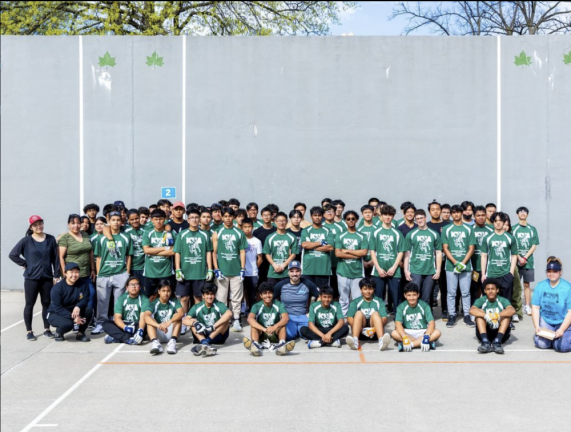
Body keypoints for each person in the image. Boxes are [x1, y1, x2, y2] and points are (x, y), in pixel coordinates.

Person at [10, 215, 61, 340]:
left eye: (40, 223)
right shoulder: (26, 241)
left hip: (47, 278)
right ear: (31, 227)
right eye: (35, 225)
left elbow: (55, 258)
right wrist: (26, 264)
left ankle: (47, 329)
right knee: (29, 304)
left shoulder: (50, 239)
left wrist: (57, 274)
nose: (39, 227)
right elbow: (13, 254)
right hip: (31, 279)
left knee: (46, 304)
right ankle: (29, 331)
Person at [91, 211, 133, 335]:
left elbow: (129, 256)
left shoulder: (126, 237)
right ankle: (100, 323)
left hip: (120, 273)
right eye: (113, 220)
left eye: (118, 220)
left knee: (119, 301)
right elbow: (98, 257)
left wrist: (127, 273)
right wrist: (99, 274)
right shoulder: (101, 238)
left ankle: (117, 322)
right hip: (104, 274)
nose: (116, 222)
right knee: (102, 301)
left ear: (121, 221)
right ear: (109, 221)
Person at [174, 208, 213, 321]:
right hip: (185, 272)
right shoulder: (182, 235)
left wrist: (210, 269)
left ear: (200, 219)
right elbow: (177, 252)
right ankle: (184, 321)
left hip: (199, 272)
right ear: (187, 219)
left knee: (198, 298)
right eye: (192, 218)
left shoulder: (204, 235)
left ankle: (197, 319)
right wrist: (177, 269)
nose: (194, 220)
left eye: (196, 217)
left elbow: (208, 252)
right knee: (184, 298)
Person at [441, 205, 476, 328]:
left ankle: (467, 315)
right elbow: (445, 248)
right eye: (453, 213)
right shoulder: (446, 229)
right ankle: (452, 315)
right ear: (451, 214)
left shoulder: (469, 228)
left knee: (466, 292)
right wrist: (456, 262)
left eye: (458, 212)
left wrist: (463, 263)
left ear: (461, 213)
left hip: (466, 266)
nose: (456, 215)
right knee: (451, 293)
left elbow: (472, 248)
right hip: (451, 266)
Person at [212, 207, 247, 332]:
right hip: (222, 270)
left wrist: (242, 269)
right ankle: (223, 318)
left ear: (234, 217)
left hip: (236, 270)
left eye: (230, 216)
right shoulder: (217, 232)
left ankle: (236, 319)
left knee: (237, 297)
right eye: (225, 216)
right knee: (221, 296)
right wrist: (216, 269)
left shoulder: (239, 232)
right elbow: (214, 253)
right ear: (222, 217)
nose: (228, 218)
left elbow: (242, 252)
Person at [58, 214, 96, 325]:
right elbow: (61, 256)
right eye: (73, 223)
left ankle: (87, 318)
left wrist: (93, 269)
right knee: (74, 298)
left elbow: (90, 252)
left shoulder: (85, 235)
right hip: (72, 275)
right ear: (68, 225)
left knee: (91, 294)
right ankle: (74, 320)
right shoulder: (65, 238)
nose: (76, 225)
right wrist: (64, 272)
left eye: (78, 223)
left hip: (85, 272)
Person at [369, 205, 405, 313]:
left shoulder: (397, 233)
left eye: (390, 215)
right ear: (381, 216)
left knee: (396, 296)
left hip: (394, 270)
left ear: (393, 216)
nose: (387, 217)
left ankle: (398, 318)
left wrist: (394, 267)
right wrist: (378, 268)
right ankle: (379, 317)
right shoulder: (375, 232)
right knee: (378, 295)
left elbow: (401, 252)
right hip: (378, 270)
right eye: (385, 214)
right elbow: (372, 251)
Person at [243, 282, 295, 356]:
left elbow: (286, 318)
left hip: (275, 333)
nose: (267, 295)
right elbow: (250, 319)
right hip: (262, 334)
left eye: (270, 293)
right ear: (261, 295)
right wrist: (264, 329)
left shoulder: (278, 304)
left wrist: (274, 327)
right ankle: (255, 345)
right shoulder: (256, 306)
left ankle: (282, 345)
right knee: (253, 326)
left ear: (273, 294)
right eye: (265, 293)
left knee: (282, 325)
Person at [403, 209, 442, 308]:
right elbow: (407, 253)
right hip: (415, 269)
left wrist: (438, 271)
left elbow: (438, 253)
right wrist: (406, 270)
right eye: (417, 219)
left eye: (421, 218)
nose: (420, 220)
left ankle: (426, 315)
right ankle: (414, 314)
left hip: (429, 270)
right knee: (414, 294)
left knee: (427, 296)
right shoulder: (411, 234)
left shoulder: (434, 234)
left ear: (425, 218)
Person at [532, 258, 571, 353]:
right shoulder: (540, 286)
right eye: (549, 271)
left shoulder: (568, 287)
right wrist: (536, 326)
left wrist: (561, 329)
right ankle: (550, 337)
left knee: (561, 347)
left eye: (555, 271)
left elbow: (570, 312)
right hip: (547, 320)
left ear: (560, 272)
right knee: (541, 344)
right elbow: (535, 308)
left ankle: (564, 335)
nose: (551, 274)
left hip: (562, 321)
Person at [273, 261, 320, 340]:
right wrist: (279, 313)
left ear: (300, 272)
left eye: (297, 271)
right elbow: (271, 299)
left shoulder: (307, 283)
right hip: (288, 317)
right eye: (292, 271)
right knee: (288, 336)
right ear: (288, 273)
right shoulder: (281, 285)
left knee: (309, 334)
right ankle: (295, 331)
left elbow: (320, 296)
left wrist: (312, 312)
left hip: (303, 316)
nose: (294, 274)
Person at [183, 284, 232, 357]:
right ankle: (204, 343)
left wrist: (213, 326)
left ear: (214, 295)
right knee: (191, 322)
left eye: (212, 294)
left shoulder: (218, 304)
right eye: (207, 294)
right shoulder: (197, 306)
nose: (210, 297)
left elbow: (229, 313)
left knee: (226, 320)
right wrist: (196, 323)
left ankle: (206, 343)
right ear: (203, 296)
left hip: (216, 335)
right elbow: (184, 320)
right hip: (202, 334)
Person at [480, 212, 517, 309]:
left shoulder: (510, 238)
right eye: (496, 221)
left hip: (505, 273)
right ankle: (490, 321)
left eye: (500, 221)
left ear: (504, 222)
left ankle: (507, 321)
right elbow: (484, 256)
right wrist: (483, 274)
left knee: (506, 299)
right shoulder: (487, 238)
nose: (498, 223)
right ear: (493, 222)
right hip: (491, 273)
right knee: (490, 299)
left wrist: (511, 273)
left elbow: (514, 256)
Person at [47, 262, 92, 342]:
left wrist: (78, 306)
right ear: (65, 273)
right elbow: (57, 308)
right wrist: (74, 318)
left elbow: (85, 299)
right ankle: (59, 332)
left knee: (88, 310)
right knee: (68, 324)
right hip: (56, 313)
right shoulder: (57, 288)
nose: (74, 275)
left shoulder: (83, 284)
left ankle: (80, 333)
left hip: (73, 310)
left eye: (76, 272)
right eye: (71, 272)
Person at [335, 211, 368, 317]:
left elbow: (363, 252)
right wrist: (356, 254)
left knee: (357, 298)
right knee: (343, 298)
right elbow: (338, 253)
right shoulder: (340, 235)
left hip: (357, 272)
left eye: (353, 218)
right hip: (342, 271)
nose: (351, 221)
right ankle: (344, 318)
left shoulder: (362, 236)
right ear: (345, 220)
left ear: (357, 220)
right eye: (348, 219)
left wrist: (347, 251)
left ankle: (356, 317)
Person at [469, 278, 515, 354]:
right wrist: (486, 315)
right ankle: (485, 342)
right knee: (479, 313)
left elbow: (512, 310)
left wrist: (497, 315)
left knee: (506, 314)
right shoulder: (481, 300)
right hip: (485, 332)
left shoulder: (502, 300)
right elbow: (471, 310)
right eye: (488, 289)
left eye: (493, 289)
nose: (490, 291)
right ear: (485, 291)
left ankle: (497, 342)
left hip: (500, 333)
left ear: (497, 290)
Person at [391, 282, 441, 352]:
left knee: (437, 332)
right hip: (408, 332)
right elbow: (398, 323)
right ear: (405, 295)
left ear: (418, 295)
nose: (412, 298)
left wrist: (426, 336)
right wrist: (404, 337)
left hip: (422, 331)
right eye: (409, 295)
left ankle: (411, 345)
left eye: (414, 295)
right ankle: (426, 343)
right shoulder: (401, 307)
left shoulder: (425, 305)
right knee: (394, 333)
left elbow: (431, 323)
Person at [345, 277, 391, 351]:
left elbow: (384, 318)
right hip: (360, 332)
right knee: (358, 313)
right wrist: (360, 328)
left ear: (374, 289)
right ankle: (355, 341)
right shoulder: (355, 302)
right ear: (361, 290)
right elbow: (349, 318)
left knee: (375, 314)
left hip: (374, 332)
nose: (368, 291)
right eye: (365, 289)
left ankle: (381, 341)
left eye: (370, 289)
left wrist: (374, 329)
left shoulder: (379, 301)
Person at [102, 276, 149, 345]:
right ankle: (127, 338)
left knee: (148, 326)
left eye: (136, 284)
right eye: (131, 285)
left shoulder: (144, 299)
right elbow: (117, 317)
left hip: (137, 324)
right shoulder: (122, 298)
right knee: (105, 324)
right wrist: (125, 327)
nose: (134, 287)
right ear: (127, 287)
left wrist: (140, 330)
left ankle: (116, 338)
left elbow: (143, 317)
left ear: (140, 287)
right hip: (125, 324)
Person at [142, 209, 176, 300]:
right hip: (150, 272)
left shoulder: (170, 233)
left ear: (165, 219)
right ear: (152, 220)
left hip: (166, 272)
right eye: (156, 219)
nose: (158, 221)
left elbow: (173, 251)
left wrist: (153, 251)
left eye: (160, 219)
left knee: (166, 296)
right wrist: (165, 248)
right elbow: (146, 250)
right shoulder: (148, 233)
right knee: (150, 297)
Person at [512, 206, 540, 316]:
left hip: (528, 261)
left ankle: (527, 305)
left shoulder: (532, 229)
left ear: (527, 214)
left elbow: (534, 245)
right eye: (520, 212)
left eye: (524, 212)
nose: (522, 213)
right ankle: (516, 306)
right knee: (516, 284)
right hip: (516, 260)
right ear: (517, 214)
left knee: (527, 284)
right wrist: (519, 257)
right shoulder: (513, 228)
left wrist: (525, 257)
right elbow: (512, 245)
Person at [145, 280, 184, 355]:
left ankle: (172, 343)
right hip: (159, 332)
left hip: (171, 331)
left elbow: (181, 313)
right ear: (159, 291)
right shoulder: (154, 303)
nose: (166, 293)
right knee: (150, 320)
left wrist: (168, 322)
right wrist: (158, 325)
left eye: (168, 291)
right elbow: (146, 317)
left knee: (177, 316)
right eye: (163, 291)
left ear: (171, 291)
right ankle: (155, 343)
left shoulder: (174, 301)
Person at [300, 206, 335, 289]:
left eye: (319, 215)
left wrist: (312, 246)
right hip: (308, 269)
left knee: (322, 294)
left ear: (322, 216)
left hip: (323, 269)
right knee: (307, 293)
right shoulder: (306, 230)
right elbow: (304, 245)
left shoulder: (327, 230)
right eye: (315, 215)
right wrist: (322, 242)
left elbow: (330, 247)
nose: (317, 217)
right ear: (311, 216)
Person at [263, 212, 298, 284]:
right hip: (273, 272)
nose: (281, 223)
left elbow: (294, 253)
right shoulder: (270, 237)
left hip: (286, 273)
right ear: (275, 222)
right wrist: (274, 265)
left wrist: (284, 265)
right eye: (279, 221)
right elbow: (267, 253)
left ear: (287, 222)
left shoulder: (292, 237)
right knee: (272, 294)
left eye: (284, 220)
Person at [242, 218, 263, 312]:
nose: (247, 229)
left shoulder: (257, 241)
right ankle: (242, 309)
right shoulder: (239, 240)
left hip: (252, 273)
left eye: (249, 227)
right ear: (242, 228)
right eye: (245, 227)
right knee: (241, 293)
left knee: (252, 294)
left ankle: (252, 312)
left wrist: (255, 268)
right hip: (240, 272)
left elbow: (260, 258)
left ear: (252, 227)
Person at [253, 206, 277, 284]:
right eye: (264, 215)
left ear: (272, 216)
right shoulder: (257, 232)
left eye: (268, 215)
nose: (266, 217)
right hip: (261, 261)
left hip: (274, 260)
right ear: (261, 216)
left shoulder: (276, 230)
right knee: (261, 283)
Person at [124, 209, 146, 288]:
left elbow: (166, 224)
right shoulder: (125, 230)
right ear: (128, 220)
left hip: (144, 267)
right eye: (132, 219)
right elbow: (107, 228)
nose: (135, 221)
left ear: (139, 217)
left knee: (144, 291)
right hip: (130, 267)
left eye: (136, 218)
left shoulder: (146, 229)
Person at [357, 205, 378, 277]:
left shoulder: (378, 230)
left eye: (370, 212)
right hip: (361, 262)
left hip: (375, 262)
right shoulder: (358, 230)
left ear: (373, 213)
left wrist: (373, 261)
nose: (368, 214)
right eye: (365, 212)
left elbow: (380, 247)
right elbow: (356, 247)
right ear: (362, 214)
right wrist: (362, 261)